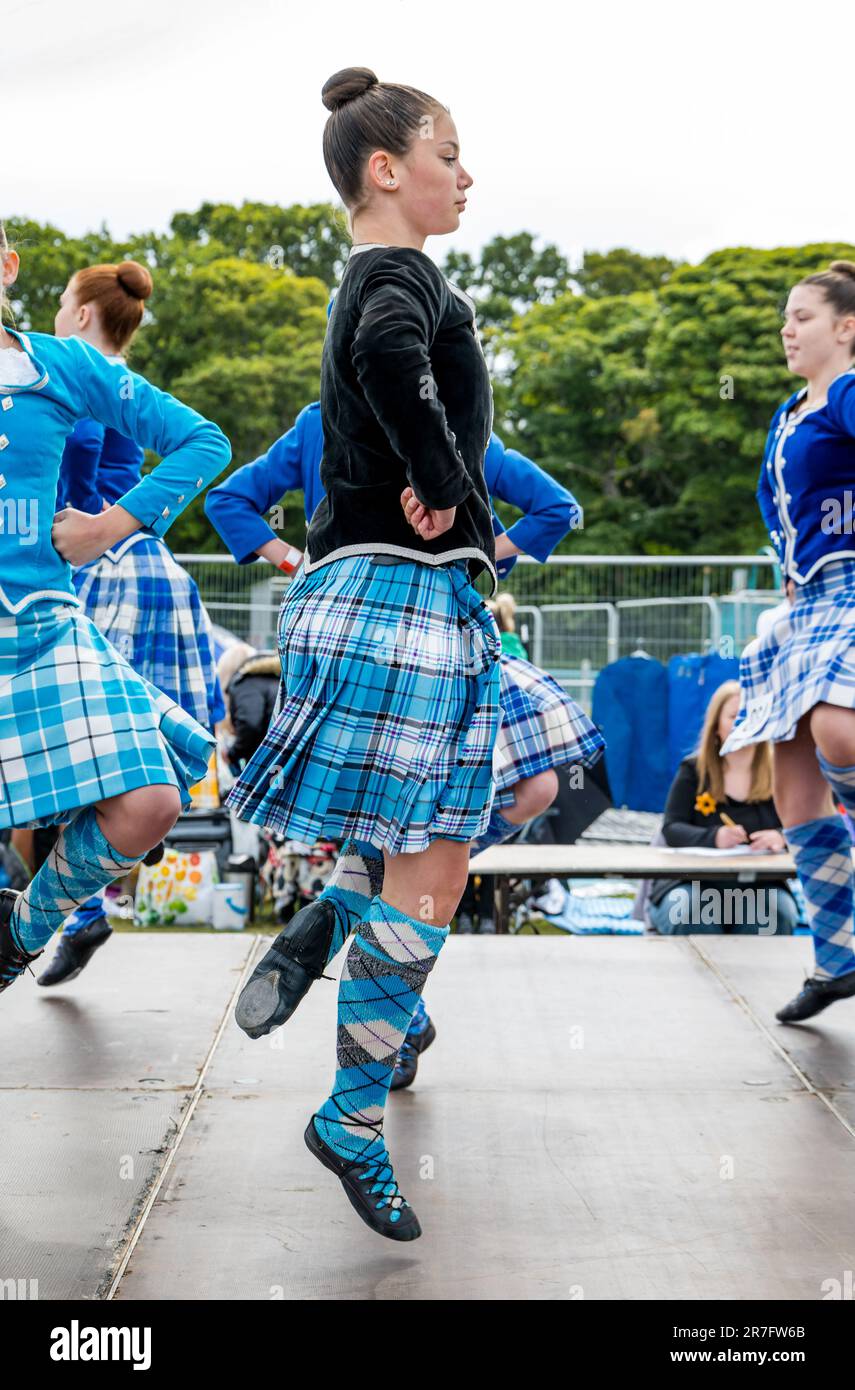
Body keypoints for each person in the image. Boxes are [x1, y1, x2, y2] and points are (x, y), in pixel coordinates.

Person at [221, 66, 502, 1241]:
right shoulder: (399, 276)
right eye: (449, 153)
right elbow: (395, 360)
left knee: (424, 859)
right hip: (399, 594)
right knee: (432, 865)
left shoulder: (379, 275)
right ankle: (349, 1111)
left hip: (378, 594)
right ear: (385, 168)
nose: (466, 173)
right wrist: (451, 493)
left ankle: (344, 1027)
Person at [207, 411, 603, 1082]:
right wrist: (482, 550)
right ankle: (375, 988)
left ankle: (362, 958)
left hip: (346, 644)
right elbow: (557, 509)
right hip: (430, 645)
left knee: (405, 835)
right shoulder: (443, 430)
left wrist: (296, 562)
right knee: (442, 833)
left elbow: (229, 499)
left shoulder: (333, 423)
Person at [0, 223, 231, 996]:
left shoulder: (61, 362)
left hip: (42, 625)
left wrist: (107, 526)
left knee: (152, 801)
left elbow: (202, 442)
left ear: (8, 265)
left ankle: (19, 937)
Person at [721, 260, 855, 1021]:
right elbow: (782, 504)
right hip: (807, 602)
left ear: (845, 327)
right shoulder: (786, 412)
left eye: (801, 316)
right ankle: (838, 959)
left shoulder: (847, 393)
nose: (786, 328)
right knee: (793, 782)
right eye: (785, 317)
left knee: (841, 731)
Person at [647, 681, 798, 934]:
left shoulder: (779, 774)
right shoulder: (693, 770)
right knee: (691, 912)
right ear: (716, 725)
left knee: (774, 914)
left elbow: (801, 826)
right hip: (691, 883)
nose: (742, 723)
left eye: (750, 715)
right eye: (734, 716)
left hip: (759, 884)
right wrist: (713, 837)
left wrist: (780, 838)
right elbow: (671, 829)